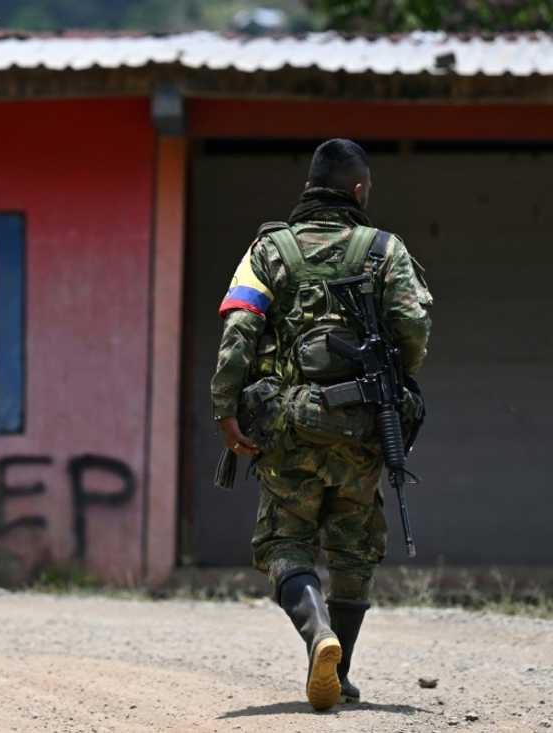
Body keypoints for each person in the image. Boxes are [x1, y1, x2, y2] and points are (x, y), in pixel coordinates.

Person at [210, 139, 433, 711]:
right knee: (354, 547)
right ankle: (344, 669)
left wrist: (226, 409)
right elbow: (414, 327)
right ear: (359, 190)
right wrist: (394, 381)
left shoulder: (269, 250)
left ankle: (318, 639)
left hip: (289, 426)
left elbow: (238, 330)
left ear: (310, 188)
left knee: (286, 540)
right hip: (362, 429)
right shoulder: (386, 250)